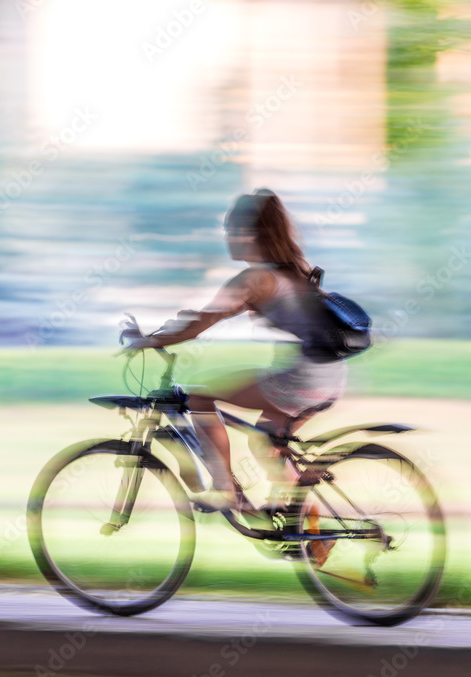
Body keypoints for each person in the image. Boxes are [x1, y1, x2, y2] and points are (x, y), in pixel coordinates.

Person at [119, 189, 347, 513]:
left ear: (249, 234)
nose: (226, 237)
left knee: (198, 396)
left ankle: (224, 489)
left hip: (302, 379)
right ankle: (304, 517)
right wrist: (159, 332)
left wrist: (150, 341)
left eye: (229, 230)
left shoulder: (255, 278)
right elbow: (201, 316)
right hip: (330, 375)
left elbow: (201, 323)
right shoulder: (293, 267)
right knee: (266, 442)